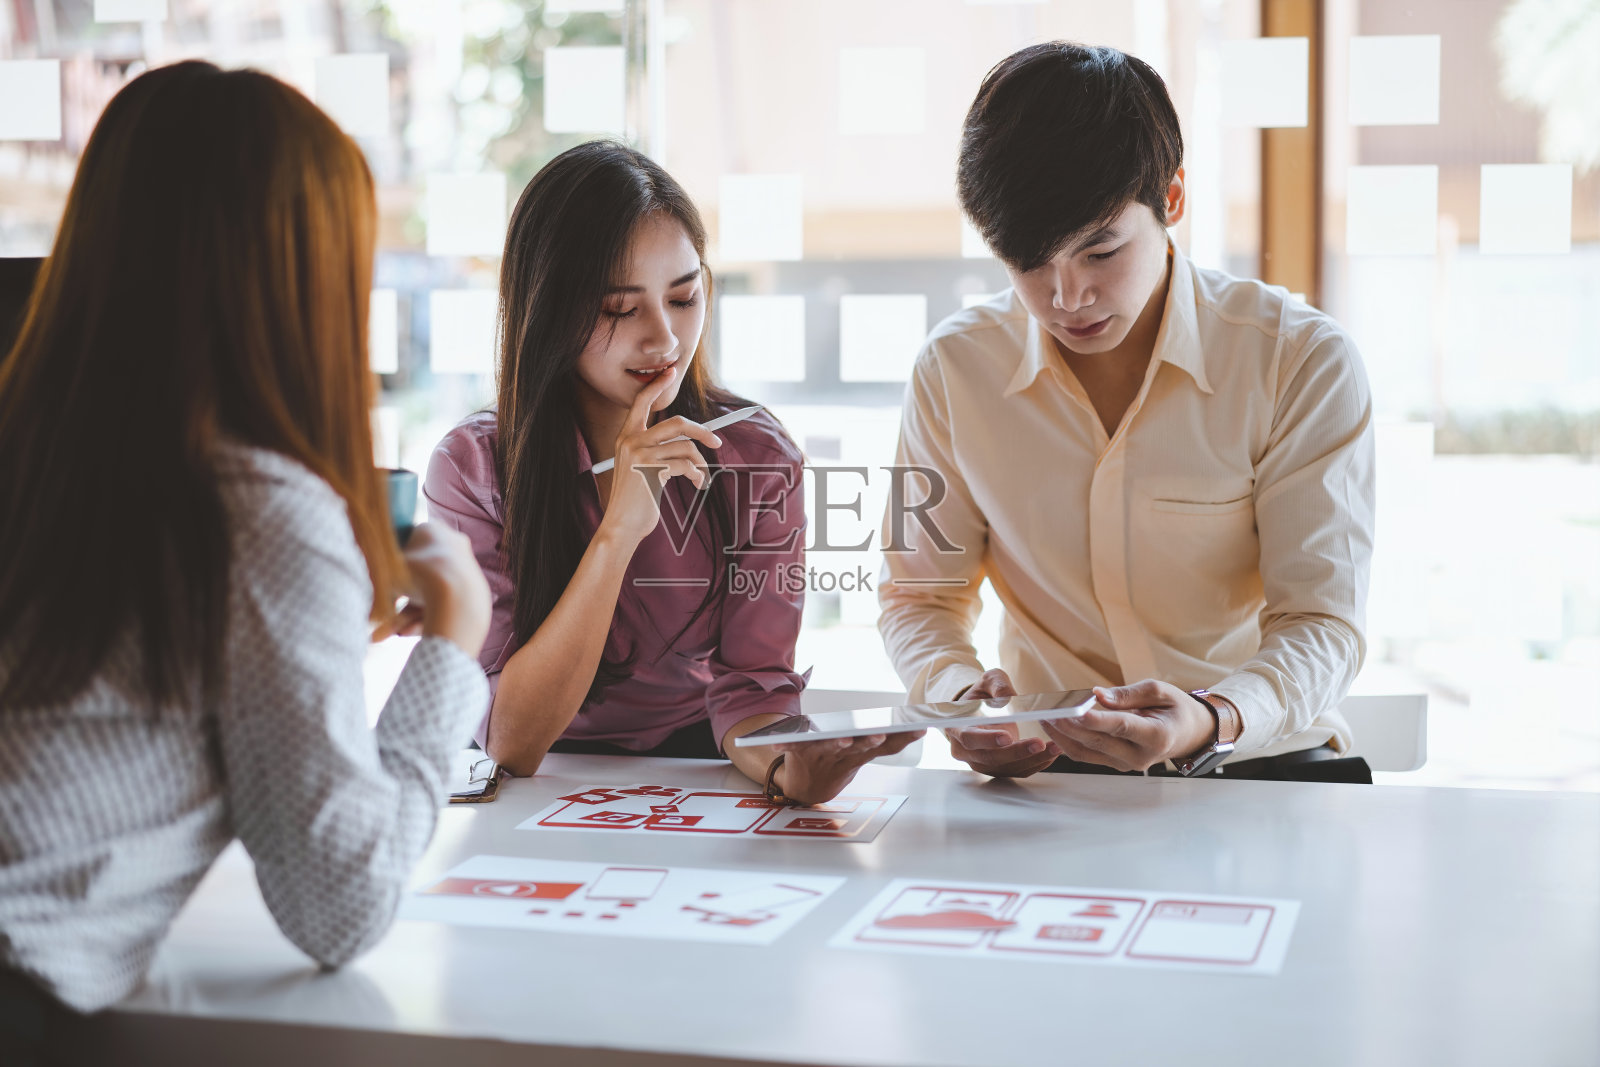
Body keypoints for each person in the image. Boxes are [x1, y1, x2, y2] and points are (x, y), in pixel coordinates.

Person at [0, 61, 493, 1055]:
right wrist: (453, 639)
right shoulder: (258, 510)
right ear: (305, 283)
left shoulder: (38, 456)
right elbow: (338, 905)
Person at [879, 43, 1376, 783]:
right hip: (1052, 771)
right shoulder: (954, 370)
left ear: (1171, 199)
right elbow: (918, 595)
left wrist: (1212, 717)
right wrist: (960, 701)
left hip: (1257, 760)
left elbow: (1322, 620)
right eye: (1029, 262)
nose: (1066, 297)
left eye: (1100, 251)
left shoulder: (1298, 360)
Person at [425, 142, 915, 804]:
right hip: (525, 772)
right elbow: (511, 741)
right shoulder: (473, 468)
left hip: (698, 761)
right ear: (547, 311)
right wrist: (618, 532)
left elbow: (751, 691)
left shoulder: (757, 458)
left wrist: (788, 765)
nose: (665, 340)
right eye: (618, 309)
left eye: (683, 297)